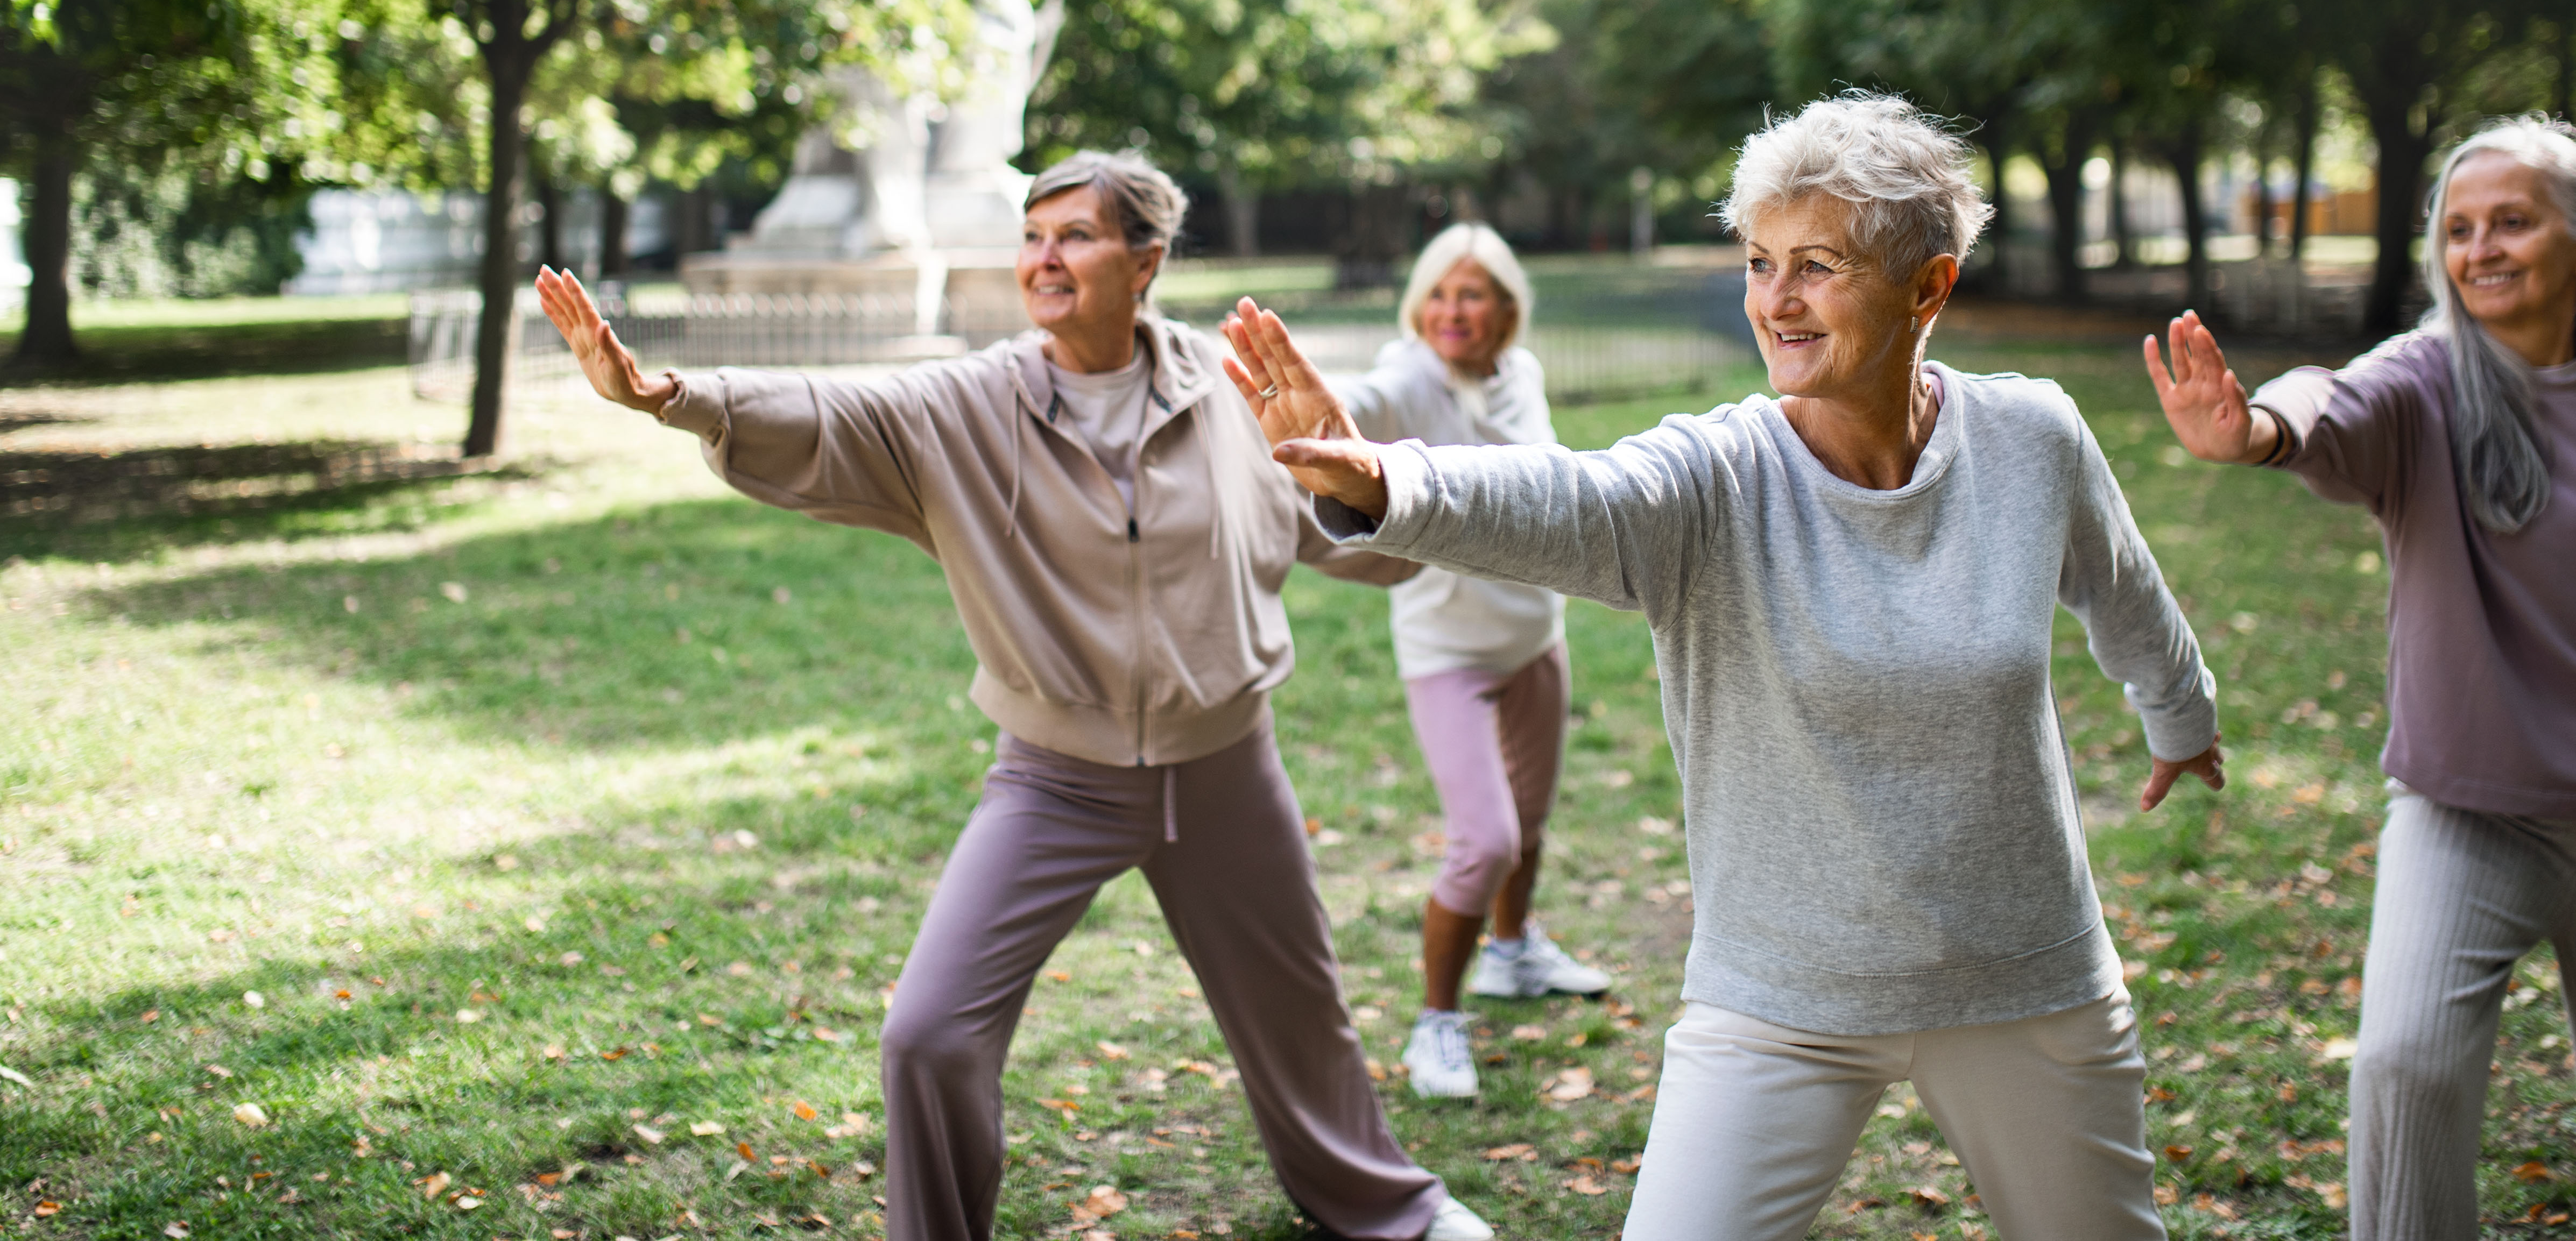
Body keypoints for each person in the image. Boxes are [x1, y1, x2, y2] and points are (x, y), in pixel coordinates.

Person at [1223, 95, 2226, 1241]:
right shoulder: (1716, 475)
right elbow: (1567, 498)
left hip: (2021, 977)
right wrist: (1382, 483)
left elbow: (2125, 590)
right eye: (1758, 262)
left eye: (1817, 265)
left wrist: (2178, 713)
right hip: (1777, 995)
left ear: (1927, 288)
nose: (1775, 300)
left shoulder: (2031, 439)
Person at [534, 150, 1495, 1241]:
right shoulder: (971, 402)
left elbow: (1359, 542)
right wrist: (671, 397)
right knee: (927, 1033)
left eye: (1074, 235)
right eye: (1032, 236)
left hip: (1227, 763)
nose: (1043, 258)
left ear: (1145, 260)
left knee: (1300, 1016)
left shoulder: (1229, 389)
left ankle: (1385, 1211)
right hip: (1055, 779)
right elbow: (831, 412)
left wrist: (1360, 487)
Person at [2146, 117, 2576, 1241]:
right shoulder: (2421, 383)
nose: (2480, 249)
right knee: (2402, 1066)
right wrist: (2257, 428)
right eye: (2457, 230)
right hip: (2468, 807)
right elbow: (2327, 403)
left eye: (2511, 221)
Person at [1325, 225, 1610, 1102]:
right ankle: (1436, 1020)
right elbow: (1357, 404)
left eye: (1473, 294)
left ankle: (1514, 953)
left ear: (1506, 308)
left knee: (1529, 823)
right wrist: (1307, 408)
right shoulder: (1410, 376)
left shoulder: (1519, 374)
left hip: (1534, 632)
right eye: (1441, 295)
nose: (1454, 312)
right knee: (1483, 841)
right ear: (1420, 303)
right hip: (1447, 649)